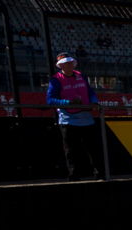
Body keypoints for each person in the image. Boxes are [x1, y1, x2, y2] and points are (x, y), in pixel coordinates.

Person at [45, 52, 100, 181]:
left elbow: (90, 91)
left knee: (93, 149)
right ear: (61, 66)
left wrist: (94, 101)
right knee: (71, 150)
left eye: (70, 62)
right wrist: (67, 103)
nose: (69, 65)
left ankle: (99, 173)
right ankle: (74, 175)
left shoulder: (81, 76)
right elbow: (50, 100)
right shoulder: (56, 80)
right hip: (68, 120)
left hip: (86, 118)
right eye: (65, 63)